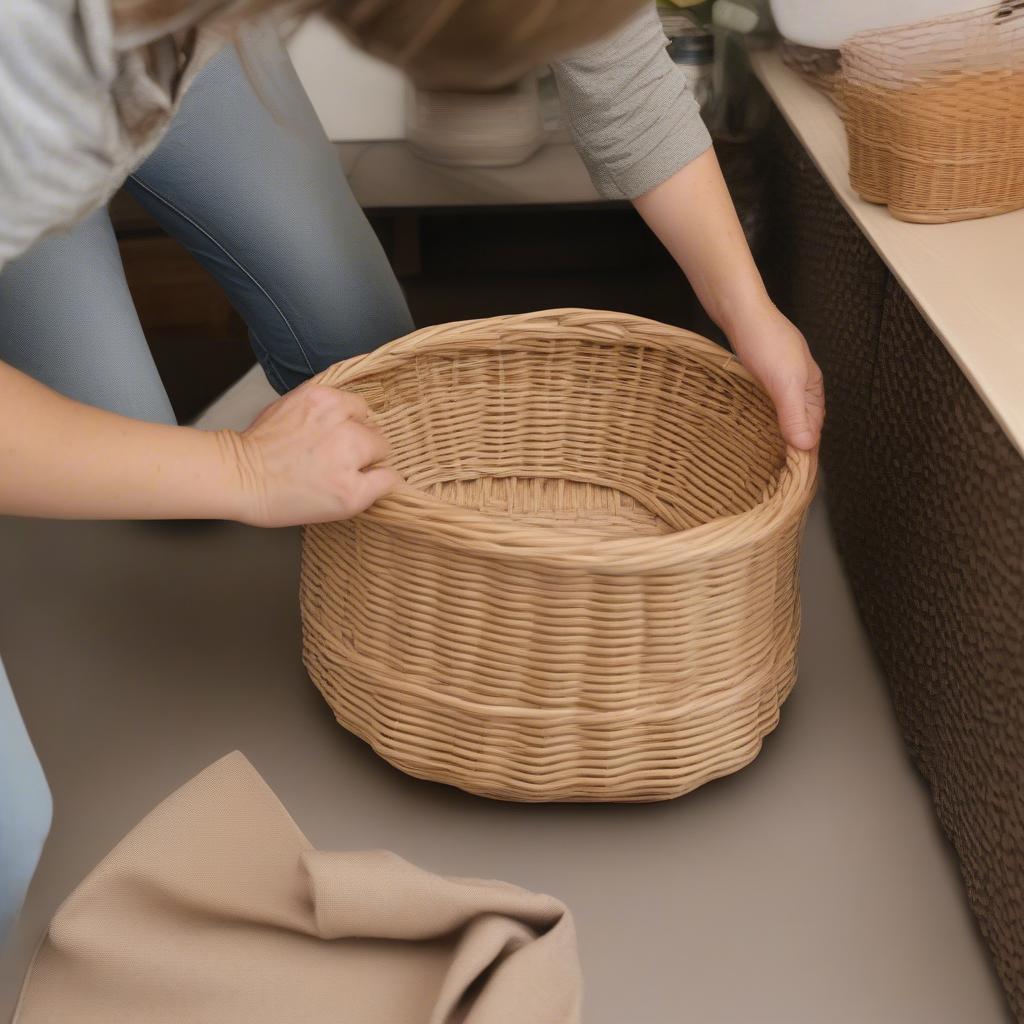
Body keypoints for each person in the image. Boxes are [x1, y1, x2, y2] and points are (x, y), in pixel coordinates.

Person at [0, 0, 824, 941]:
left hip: (154, 38)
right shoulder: (31, 65)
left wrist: (748, 310)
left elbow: (612, 56)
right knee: (10, 836)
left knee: (360, 342)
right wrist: (240, 469)